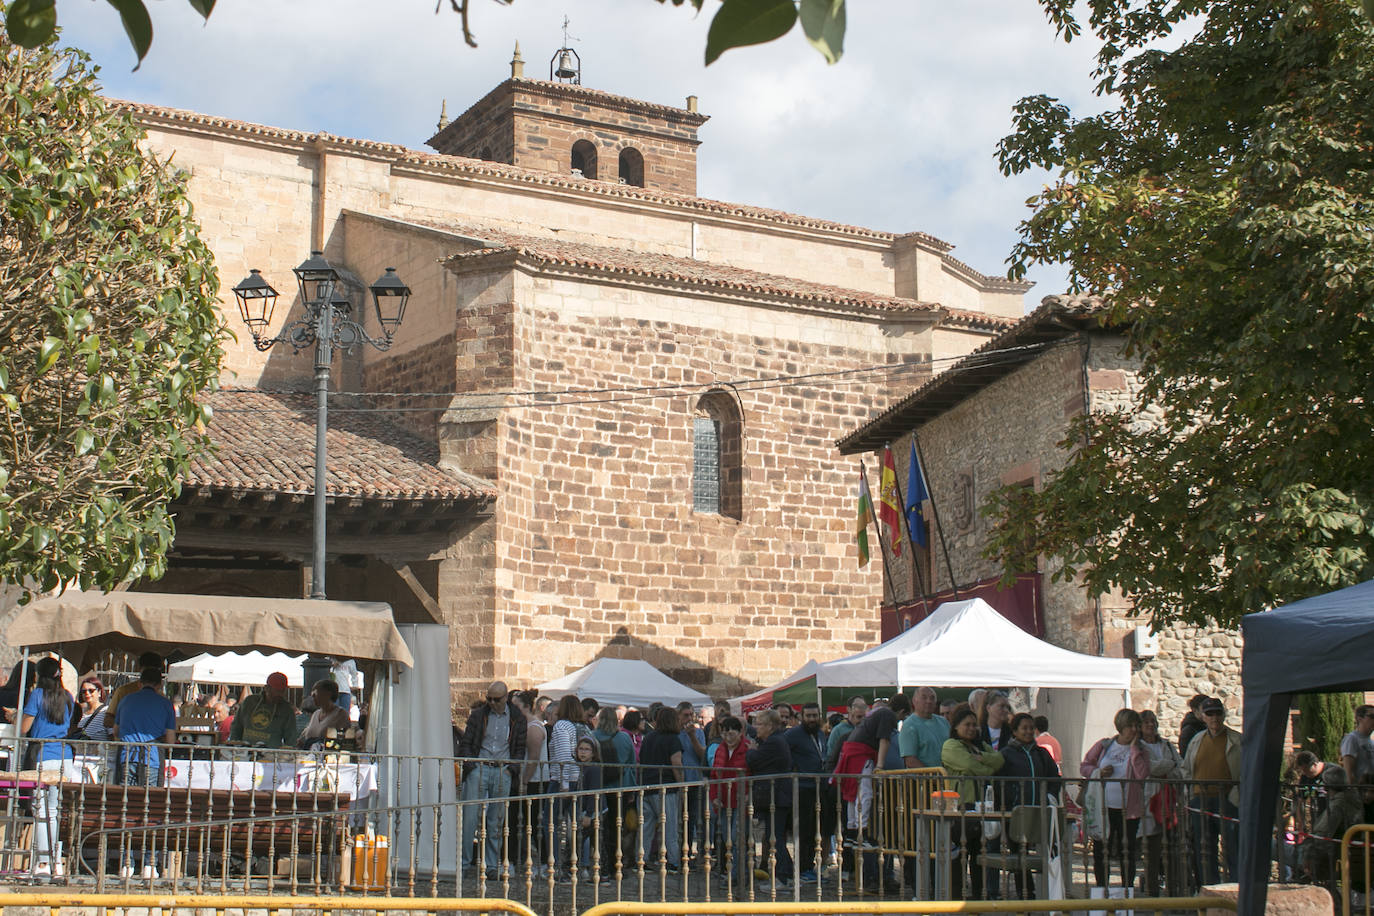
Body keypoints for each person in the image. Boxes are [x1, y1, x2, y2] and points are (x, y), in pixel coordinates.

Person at [455, 681, 527, 879]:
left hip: (502, 769)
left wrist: (512, 769)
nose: (492, 703)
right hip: (480, 766)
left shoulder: (517, 718)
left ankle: (491, 864)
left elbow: (520, 747)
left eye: (497, 699)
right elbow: (467, 742)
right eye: (489, 699)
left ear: (506, 698)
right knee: (469, 817)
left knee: (496, 820)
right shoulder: (479, 715)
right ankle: (463, 863)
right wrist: (471, 764)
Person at [111, 665, 176, 879]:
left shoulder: (125, 700)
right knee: (151, 809)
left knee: (127, 808)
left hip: (126, 756)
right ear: (159, 685)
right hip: (152, 759)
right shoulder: (166, 704)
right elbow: (170, 738)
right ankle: (150, 863)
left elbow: (116, 732)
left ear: (140, 683)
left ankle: (126, 862)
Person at [1082, 707, 1150, 891]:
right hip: (1104, 807)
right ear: (1121, 727)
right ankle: (1101, 888)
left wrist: (1135, 750)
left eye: (1137, 726)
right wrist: (1099, 772)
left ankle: (1127, 889)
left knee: (1126, 851)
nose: (1134, 730)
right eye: (1130, 726)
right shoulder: (1104, 746)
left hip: (1128, 809)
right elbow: (1085, 766)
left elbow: (1142, 774)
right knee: (1101, 849)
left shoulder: (1142, 750)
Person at [941, 703, 1004, 899]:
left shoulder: (980, 746)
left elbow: (998, 760)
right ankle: (957, 899)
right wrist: (983, 765)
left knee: (979, 858)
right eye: (967, 724)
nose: (971, 728)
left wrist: (980, 758)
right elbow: (969, 766)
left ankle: (979, 899)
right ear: (957, 726)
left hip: (980, 808)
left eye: (974, 725)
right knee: (959, 857)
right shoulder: (950, 745)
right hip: (960, 807)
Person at [998, 712, 1061, 899]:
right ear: (1015, 731)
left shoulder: (1041, 753)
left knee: (1048, 850)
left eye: (1030, 728)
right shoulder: (1006, 754)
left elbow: (1054, 777)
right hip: (1017, 812)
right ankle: (1026, 894)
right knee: (1019, 853)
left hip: (1040, 811)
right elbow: (1000, 781)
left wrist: (1050, 794)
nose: (1028, 732)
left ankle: (1051, 891)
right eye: (1023, 728)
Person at [23, 657, 74, 878]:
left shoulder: (37, 695)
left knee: (41, 811)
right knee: (54, 811)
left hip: (42, 756)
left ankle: (43, 862)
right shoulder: (68, 697)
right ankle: (56, 863)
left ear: (39, 675)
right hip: (64, 757)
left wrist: (17, 716)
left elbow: (25, 727)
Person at [1182, 696, 1240, 886]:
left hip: (1228, 799)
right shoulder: (1196, 741)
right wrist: (1190, 796)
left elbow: (1245, 770)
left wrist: (1235, 796)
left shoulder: (1236, 740)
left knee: (1233, 846)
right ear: (1203, 717)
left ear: (1223, 715)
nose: (1214, 718)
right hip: (1200, 799)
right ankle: (1209, 888)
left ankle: (1236, 888)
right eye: (1209, 713)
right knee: (1204, 848)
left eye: (1218, 713)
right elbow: (1186, 770)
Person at [1138, 708, 1184, 897]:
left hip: (1170, 801)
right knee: (1152, 851)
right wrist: (1168, 765)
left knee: (1172, 850)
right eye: (1146, 722)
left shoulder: (1167, 745)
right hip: (1149, 802)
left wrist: (1166, 767)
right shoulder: (1138, 747)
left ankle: (1173, 890)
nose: (1150, 725)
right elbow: (1150, 768)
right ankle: (1152, 892)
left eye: (1153, 721)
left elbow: (1181, 768)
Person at [747, 708, 795, 889]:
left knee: (774, 837)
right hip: (775, 795)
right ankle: (787, 874)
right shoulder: (774, 741)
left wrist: (751, 751)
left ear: (770, 726)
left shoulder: (775, 742)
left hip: (776, 795)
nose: (756, 727)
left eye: (759, 724)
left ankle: (783, 876)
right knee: (775, 836)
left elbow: (754, 760)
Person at [783, 701, 829, 883]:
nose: (812, 719)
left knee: (815, 830)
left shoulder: (819, 733)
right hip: (802, 788)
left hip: (819, 787)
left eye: (814, 715)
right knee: (803, 831)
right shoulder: (793, 734)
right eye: (808, 716)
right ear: (801, 717)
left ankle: (809, 866)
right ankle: (802, 868)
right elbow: (784, 753)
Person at [1302, 766, 1365, 891]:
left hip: (1325, 859)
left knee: (1271, 845)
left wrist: (1308, 856)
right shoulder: (1355, 801)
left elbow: (1320, 836)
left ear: (1327, 787)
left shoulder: (1337, 805)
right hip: (1344, 856)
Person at [638, 705, 683, 874]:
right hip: (665, 787)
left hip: (646, 785)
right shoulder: (673, 739)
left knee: (646, 827)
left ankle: (641, 859)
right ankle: (672, 861)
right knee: (670, 826)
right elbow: (676, 764)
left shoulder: (649, 737)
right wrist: (681, 785)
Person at [509, 689, 549, 876]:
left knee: (533, 823)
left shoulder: (533, 726)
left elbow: (533, 757)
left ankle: (542, 862)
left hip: (533, 780)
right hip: (527, 778)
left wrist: (524, 781)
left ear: (526, 707)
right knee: (520, 822)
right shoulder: (522, 724)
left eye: (516, 705)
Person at [593, 706, 633, 878]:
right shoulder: (624, 737)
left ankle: (599, 862)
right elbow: (632, 763)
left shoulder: (592, 737)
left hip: (600, 787)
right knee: (618, 826)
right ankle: (617, 864)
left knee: (600, 827)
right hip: (621, 787)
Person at [709, 715, 749, 885]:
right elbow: (714, 775)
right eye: (725, 734)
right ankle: (735, 872)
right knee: (728, 838)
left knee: (737, 836)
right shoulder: (720, 749)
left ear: (740, 733)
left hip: (741, 800)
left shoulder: (748, 748)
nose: (728, 738)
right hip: (724, 801)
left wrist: (748, 795)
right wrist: (714, 796)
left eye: (732, 734)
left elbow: (751, 773)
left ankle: (741, 874)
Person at [561, 737, 604, 883]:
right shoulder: (582, 768)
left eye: (587, 750)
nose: (583, 752)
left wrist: (589, 814)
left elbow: (593, 792)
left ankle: (570, 871)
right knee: (586, 841)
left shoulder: (593, 769)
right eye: (581, 749)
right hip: (586, 810)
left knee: (580, 842)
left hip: (593, 812)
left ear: (593, 753)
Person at [229, 672, 298, 748]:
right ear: (266, 688)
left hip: (271, 755)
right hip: (245, 752)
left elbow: (291, 738)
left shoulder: (287, 710)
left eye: (282, 691)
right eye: (276, 691)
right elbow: (236, 727)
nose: (279, 695)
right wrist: (235, 747)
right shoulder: (249, 702)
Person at [677, 702, 708, 859]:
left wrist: (692, 737)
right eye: (685, 715)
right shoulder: (674, 733)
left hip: (694, 781)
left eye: (691, 715)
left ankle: (695, 851)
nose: (689, 718)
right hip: (678, 781)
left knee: (695, 818)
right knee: (680, 819)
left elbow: (702, 754)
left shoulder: (699, 733)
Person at [104, 652, 164, 723]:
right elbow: (108, 720)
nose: (150, 674)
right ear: (140, 669)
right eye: (147, 671)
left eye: (154, 671)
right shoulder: (123, 692)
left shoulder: (161, 697)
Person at [900, 686, 949, 769]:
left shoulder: (944, 722)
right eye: (924, 698)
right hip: (924, 779)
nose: (929, 701)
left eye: (932, 698)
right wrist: (933, 777)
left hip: (948, 777)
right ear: (914, 701)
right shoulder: (909, 725)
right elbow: (910, 760)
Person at [1340, 704, 1374, 821]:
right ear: (1359, 718)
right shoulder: (1352, 739)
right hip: (1363, 796)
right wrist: (1358, 795)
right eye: (1372, 716)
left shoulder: (1371, 741)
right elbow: (1349, 773)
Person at [297, 679, 349, 748]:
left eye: (315, 694)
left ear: (327, 694)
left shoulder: (341, 714)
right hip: (310, 756)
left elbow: (342, 741)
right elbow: (304, 736)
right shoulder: (316, 714)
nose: (313, 697)